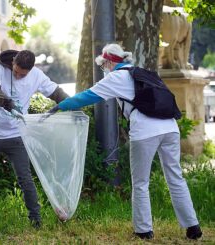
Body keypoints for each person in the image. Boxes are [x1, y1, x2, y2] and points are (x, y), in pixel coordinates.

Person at [46, 43, 202, 240]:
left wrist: (61, 105)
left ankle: (144, 230)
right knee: (176, 177)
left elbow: (88, 96)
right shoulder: (143, 72)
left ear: (110, 62)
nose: (103, 69)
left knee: (140, 182)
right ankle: (193, 227)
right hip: (170, 127)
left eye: (103, 65)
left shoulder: (116, 77)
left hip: (146, 131)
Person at [0, 49, 69, 228]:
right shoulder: (0, 68)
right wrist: (9, 104)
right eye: (15, 71)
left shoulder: (37, 76)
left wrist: (71, 103)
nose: (17, 76)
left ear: (30, 71)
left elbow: (55, 92)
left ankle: (36, 221)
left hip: (16, 135)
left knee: (25, 178)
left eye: (22, 75)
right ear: (13, 63)